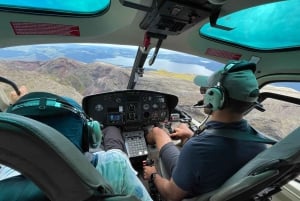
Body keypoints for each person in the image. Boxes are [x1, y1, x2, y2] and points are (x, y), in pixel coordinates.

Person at [143, 60, 267, 201]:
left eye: (205, 90)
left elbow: (172, 195)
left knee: (159, 132)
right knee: (184, 137)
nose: (203, 95)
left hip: (188, 190)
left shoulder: (197, 148)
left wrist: (153, 175)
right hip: (211, 184)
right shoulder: (259, 144)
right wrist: (191, 135)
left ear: (215, 96)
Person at [0, 92, 152, 201]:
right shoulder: (114, 165)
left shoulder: (4, 177)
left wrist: (20, 108)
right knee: (114, 142)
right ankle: (112, 129)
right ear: (91, 134)